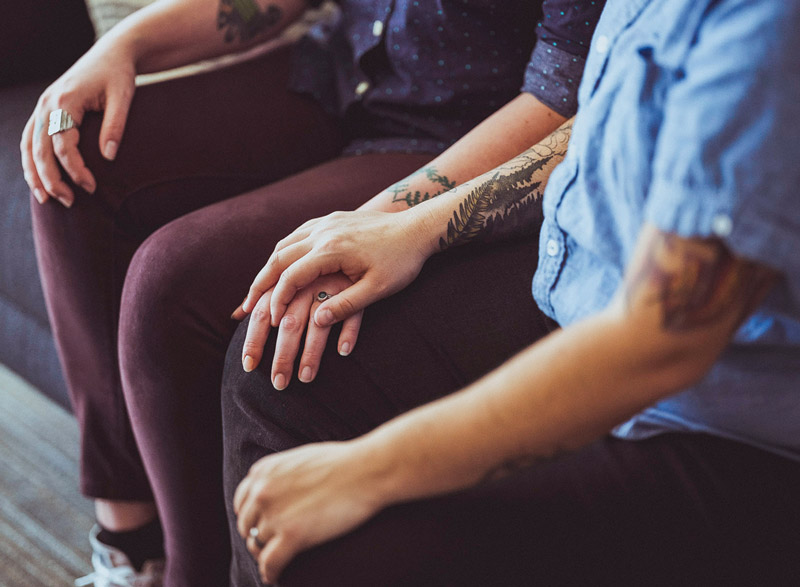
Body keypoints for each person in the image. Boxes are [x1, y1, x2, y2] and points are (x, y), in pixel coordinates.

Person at [21, 0, 605, 584]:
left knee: (167, 279)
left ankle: (189, 574)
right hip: (341, 75)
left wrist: (381, 224)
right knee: (74, 151)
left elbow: (564, 93)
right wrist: (124, 45)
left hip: (464, 133)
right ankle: (129, 549)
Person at [222, 0, 800, 584]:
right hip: (579, 287)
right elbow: (602, 115)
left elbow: (667, 341)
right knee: (282, 351)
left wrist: (365, 470)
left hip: (711, 425)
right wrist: (415, 225)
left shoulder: (767, 24)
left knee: (346, 551)